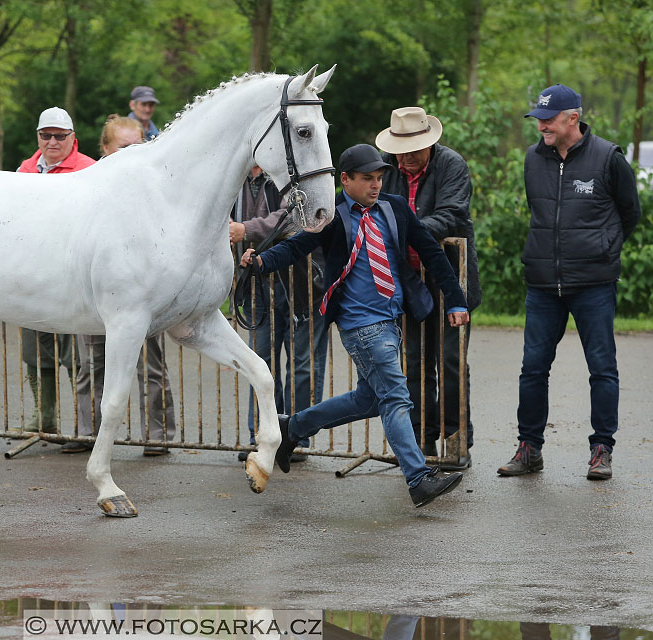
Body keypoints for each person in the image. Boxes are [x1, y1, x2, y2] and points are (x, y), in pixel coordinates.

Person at [241, 144, 469, 508]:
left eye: (379, 178)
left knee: (368, 399)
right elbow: (297, 246)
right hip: (361, 324)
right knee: (395, 397)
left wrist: (455, 298)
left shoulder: (395, 208)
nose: (376, 185)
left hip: (391, 319)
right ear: (344, 180)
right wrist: (260, 262)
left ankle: (291, 427)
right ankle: (418, 478)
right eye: (367, 179)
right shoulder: (331, 215)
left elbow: (430, 252)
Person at [498, 84, 641, 480]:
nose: (541, 126)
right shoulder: (533, 159)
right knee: (532, 368)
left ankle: (601, 449)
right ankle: (530, 449)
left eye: (548, 119)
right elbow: (538, 211)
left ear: (572, 119)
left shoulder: (608, 158)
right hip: (543, 282)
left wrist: (604, 249)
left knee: (602, 368)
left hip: (594, 282)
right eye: (538, 119)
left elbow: (630, 212)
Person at [376, 107, 481, 470]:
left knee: (451, 362)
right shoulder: (387, 168)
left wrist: (406, 230)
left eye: (414, 149)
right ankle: (419, 438)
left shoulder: (451, 165)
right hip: (406, 282)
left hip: (450, 278)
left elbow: (452, 214)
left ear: (429, 143)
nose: (405, 157)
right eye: (400, 149)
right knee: (415, 363)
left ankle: (455, 439)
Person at [69, 115, 177, 455]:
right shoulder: (83, 184)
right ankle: (89, 433)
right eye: (125, 147)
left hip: (142, 291)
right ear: (105, 148)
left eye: (139, 146)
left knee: (152, 367)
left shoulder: (156, 185)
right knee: (90, 365)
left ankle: (156, 436)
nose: (134, 153)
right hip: (93, 293)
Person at [229, 166, 328, 463]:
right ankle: (261, 435)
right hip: (257, 282)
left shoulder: (291, 171)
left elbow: (290, 218)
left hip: (301, 280)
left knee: (303, 364)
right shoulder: (233, 177)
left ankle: (296, 437)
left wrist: (244, 230)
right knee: (258, 363)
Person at [16, 106, 96, 434]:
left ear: (72, 138)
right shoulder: (24, 170)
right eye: (45, 135)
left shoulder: (88, 168)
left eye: (59, 136)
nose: (52, 142)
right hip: (32, 272)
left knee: (74, 353)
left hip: (71, 275)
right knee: (35, 346)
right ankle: (43, 415)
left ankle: (82, 424)